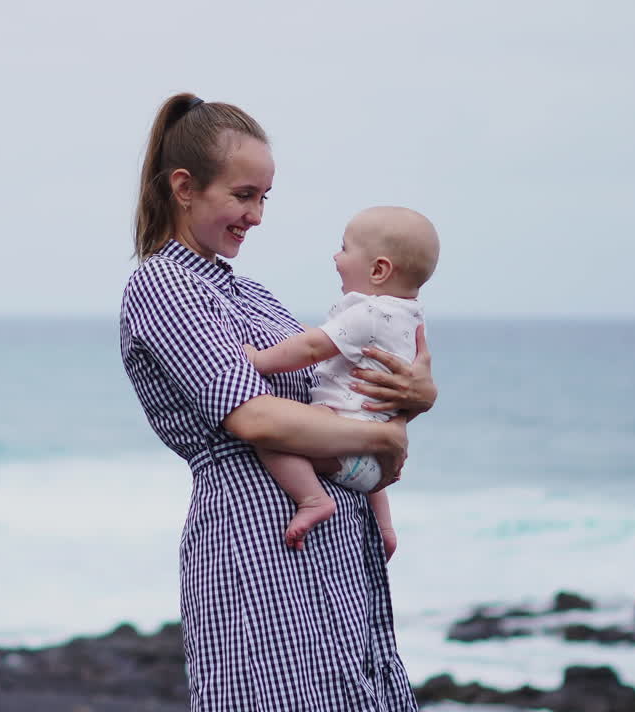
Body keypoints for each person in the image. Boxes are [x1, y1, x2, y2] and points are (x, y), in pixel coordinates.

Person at [120, 93, 436, 710]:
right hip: (262, 552)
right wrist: (382, 439)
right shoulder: (162, 284)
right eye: (243, 195)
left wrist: (416, 397)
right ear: (185, 187)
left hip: (338, 555)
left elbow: (347, 386)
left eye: (264, 197)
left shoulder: (253, 295)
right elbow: (253, 416)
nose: (257, 215)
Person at [242, 206, 440, 555]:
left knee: (274, 438)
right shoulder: (409, 318)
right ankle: (386, 529)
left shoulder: (368, 314)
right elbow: (325, 342)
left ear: (379, 269)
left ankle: (313, 499)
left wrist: (260, 359)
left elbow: (312, 346)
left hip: (344, 442)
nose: (336, 256)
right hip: (378, 464)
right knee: (365, 446)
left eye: (345, 248)